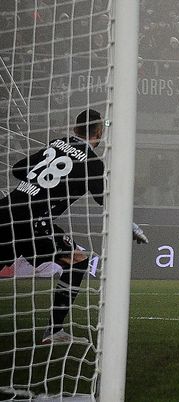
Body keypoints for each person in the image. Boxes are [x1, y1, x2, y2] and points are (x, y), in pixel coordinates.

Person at [0, 109, 148, 344]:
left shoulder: (56, 144)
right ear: (99, 133)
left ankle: (54, 331)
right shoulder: (92, 163)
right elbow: (105, 201)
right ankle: (53, 331)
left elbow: (18, 169)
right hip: (34, 221)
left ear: (75, 129)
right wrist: (131, 225)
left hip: (7, 208)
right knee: (78, 262)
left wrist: (41, 181)